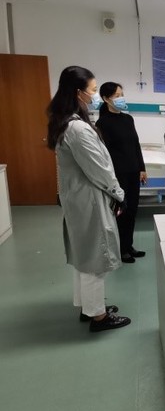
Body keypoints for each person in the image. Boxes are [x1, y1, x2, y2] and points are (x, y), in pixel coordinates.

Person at [46, 66, 131, 332]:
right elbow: (100, 170)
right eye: (93, 90)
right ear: (78, 93)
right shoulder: (79, 130)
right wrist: (119, 194)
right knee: (95, 258)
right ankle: (99, 317)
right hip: (89, 199)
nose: (95, 95)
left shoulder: (65, 123)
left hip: (77, 198)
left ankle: (87, 306)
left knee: (84, 255)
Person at [96, 82, 147, 263]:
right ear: (106, 99)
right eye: (117, 95)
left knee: (132, 210)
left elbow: (136, 145)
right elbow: (106, 153)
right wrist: (111, 177)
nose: (121, 98)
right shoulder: (102, 123)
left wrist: (142, 168)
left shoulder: (128, 119)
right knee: (121, 211)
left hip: (133, 172)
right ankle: (120, 248)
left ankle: (129, 245)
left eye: (121, 94)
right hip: (118, 174)